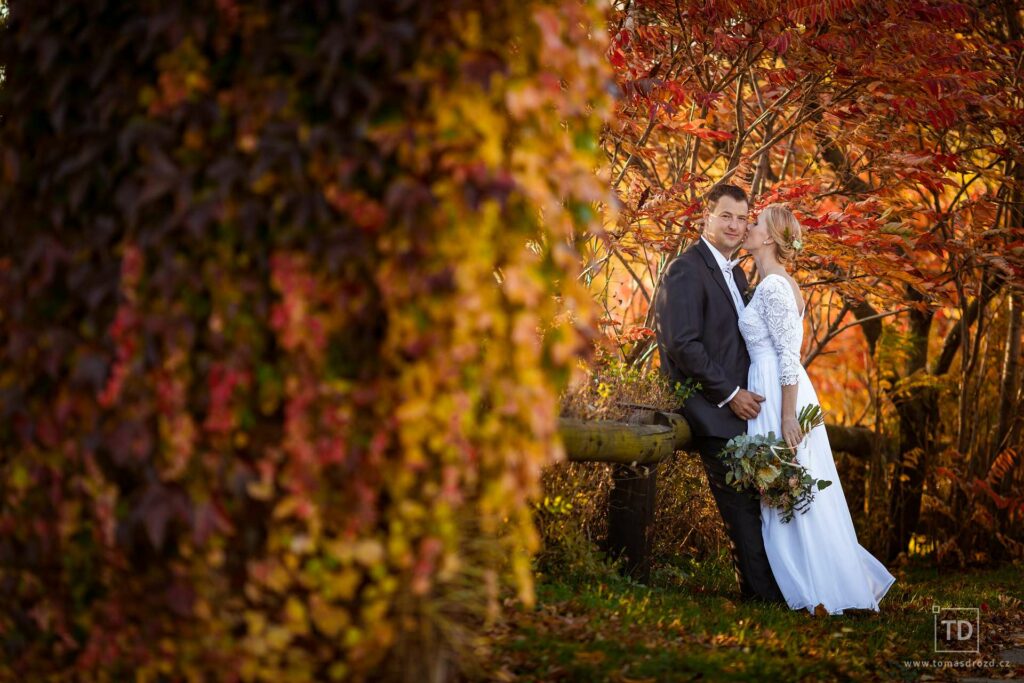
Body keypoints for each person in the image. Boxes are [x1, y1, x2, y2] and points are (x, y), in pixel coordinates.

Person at [739, 203, 895, 615]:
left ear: (770, 237)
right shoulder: (775, 282)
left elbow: (790, 357)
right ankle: (807, 576)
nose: (748, 228)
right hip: (772, 386)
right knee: (790, 486)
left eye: (754, 224)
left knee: (786, 484)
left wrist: (788, 416)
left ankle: (813, 583)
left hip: (779, 393)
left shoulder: (774, 286)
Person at [654, 184, 785, 603]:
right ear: (705, 218)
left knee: (761, 504)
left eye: (741, 218)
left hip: (745, 410)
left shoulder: (738, 272)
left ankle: (773, 591)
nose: (734, 225)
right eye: (725, 216)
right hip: (712, 409)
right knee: (742, 509)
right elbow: (683, 343)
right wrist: (730, 394)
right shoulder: (685, 270)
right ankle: (763, 598)